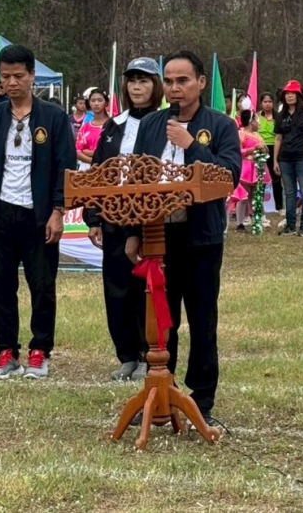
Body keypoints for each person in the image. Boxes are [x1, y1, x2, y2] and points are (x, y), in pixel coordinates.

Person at [128, 50, 242, 430]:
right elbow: (137, 181)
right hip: (158, 236)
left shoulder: (220, 125)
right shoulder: (151, 125)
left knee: (202, 319)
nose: (175, 89)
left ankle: (202, 399)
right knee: (162, 321)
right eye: (170, 82)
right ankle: (163, 391)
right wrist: (134, 231)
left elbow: (229, 176)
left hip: (201, 238)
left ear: (200, 83)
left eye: (183, 81)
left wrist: (191, 143)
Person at [0, 45, 76, 381]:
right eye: (5, 77)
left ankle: (40, 350)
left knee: (42, 285)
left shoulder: (53, 117)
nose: (12, 83)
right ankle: (6, 351)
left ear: (32, 76)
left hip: (39, 215)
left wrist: (58, 210)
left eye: (18, 76)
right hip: (2, 213)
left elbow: (65, 165)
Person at [84, 57, 162, 381]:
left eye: (144, 80)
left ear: (155, 85)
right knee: (116, 289)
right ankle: (127, 355)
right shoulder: (114, 126)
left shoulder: (164, 123)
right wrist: (93, 218)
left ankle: (150, 354)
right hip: (114, 219)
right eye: (132, 81)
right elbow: (98, 173)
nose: (137, 86)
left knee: (148, 288)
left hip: (152, 223)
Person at [274, 81, 303, 236]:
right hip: (285, 159)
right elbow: (278, 138)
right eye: (287, 93)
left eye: (292, 93)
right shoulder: (281, 114)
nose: (289, 96)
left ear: (298, 96)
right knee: (289, 193)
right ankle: (290, 226)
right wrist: (275, 160)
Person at [230, 110, 269, 231]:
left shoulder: (257, 135)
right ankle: (240, 222)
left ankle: (257, 218)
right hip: (246, 167)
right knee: (243, 196)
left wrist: (264, 150)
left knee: (256, 195)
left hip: (258, 167)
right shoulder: (240, 134)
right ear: (251, 122)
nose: (258, 123)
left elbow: (266, 149)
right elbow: (238, 152)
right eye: (256, 120)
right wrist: (253, 149)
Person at [257, 93, 282, 214]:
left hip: (275, 148)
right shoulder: (256, 117)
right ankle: (259, 206)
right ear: (261, 103)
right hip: (260, 149)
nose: (267, 104)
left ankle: (279, 206)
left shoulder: (279, 117)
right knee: (260, 177)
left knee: (276, 177)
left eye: (270, 101)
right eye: (265, 102)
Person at [75, 89, 110, 170]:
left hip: (107, 169)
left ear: (106, 103)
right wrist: (94, 162)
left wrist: (90, 153)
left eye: (100, 100)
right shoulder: (85, 127)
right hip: (86, 170)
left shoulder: (113, 125)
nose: (96, 103)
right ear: (89, 103)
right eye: (93, 101)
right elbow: (78, 151)